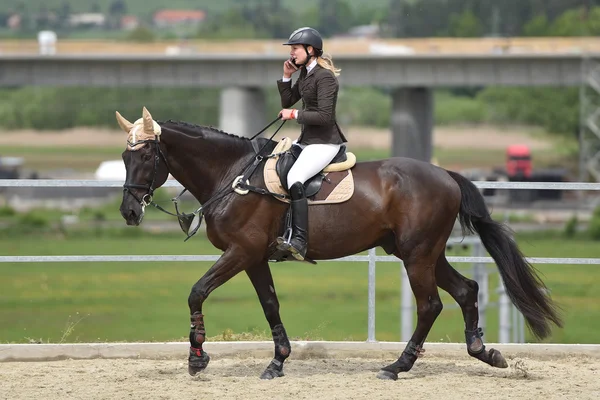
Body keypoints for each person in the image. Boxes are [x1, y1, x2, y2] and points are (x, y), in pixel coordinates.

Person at [276, 26, 348, 261]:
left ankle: (299, 240)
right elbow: (288, 100)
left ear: (310, 50)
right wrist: (287, 75)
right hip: (307, 141)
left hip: (325, 143)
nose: (292, 53)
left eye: (295, 48)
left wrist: (294, 115)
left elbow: (325, 116)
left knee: (294, 178)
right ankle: (284, 230)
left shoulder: (325, 77)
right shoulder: (307, 73)